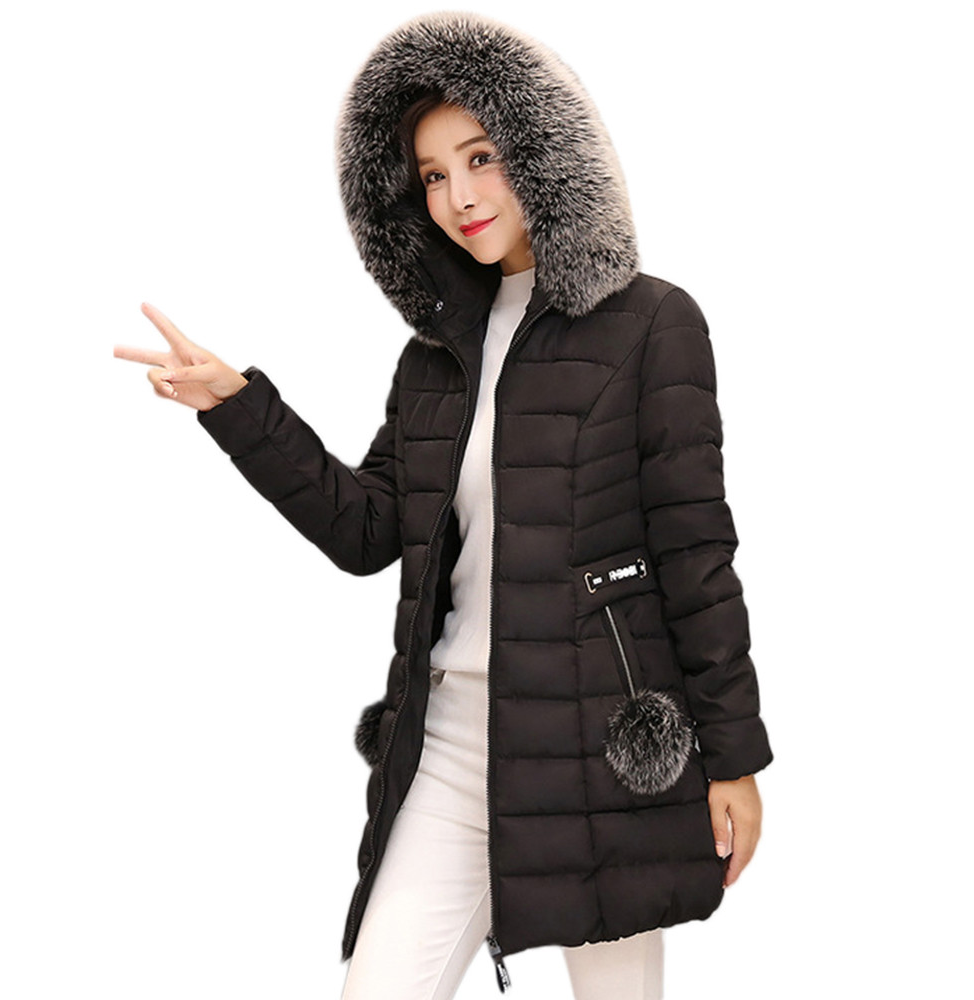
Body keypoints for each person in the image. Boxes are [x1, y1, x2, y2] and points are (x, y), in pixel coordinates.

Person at [114, 12, 774, 1000]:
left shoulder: (651, 323)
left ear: (543, 155)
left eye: (480, 157)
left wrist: (733, 756)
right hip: (453, 738)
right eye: (431, 174)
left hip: (601, 742)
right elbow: (365, 529)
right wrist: (237, 407)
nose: (458, 196)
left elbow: (694, 552)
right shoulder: (436, 359)